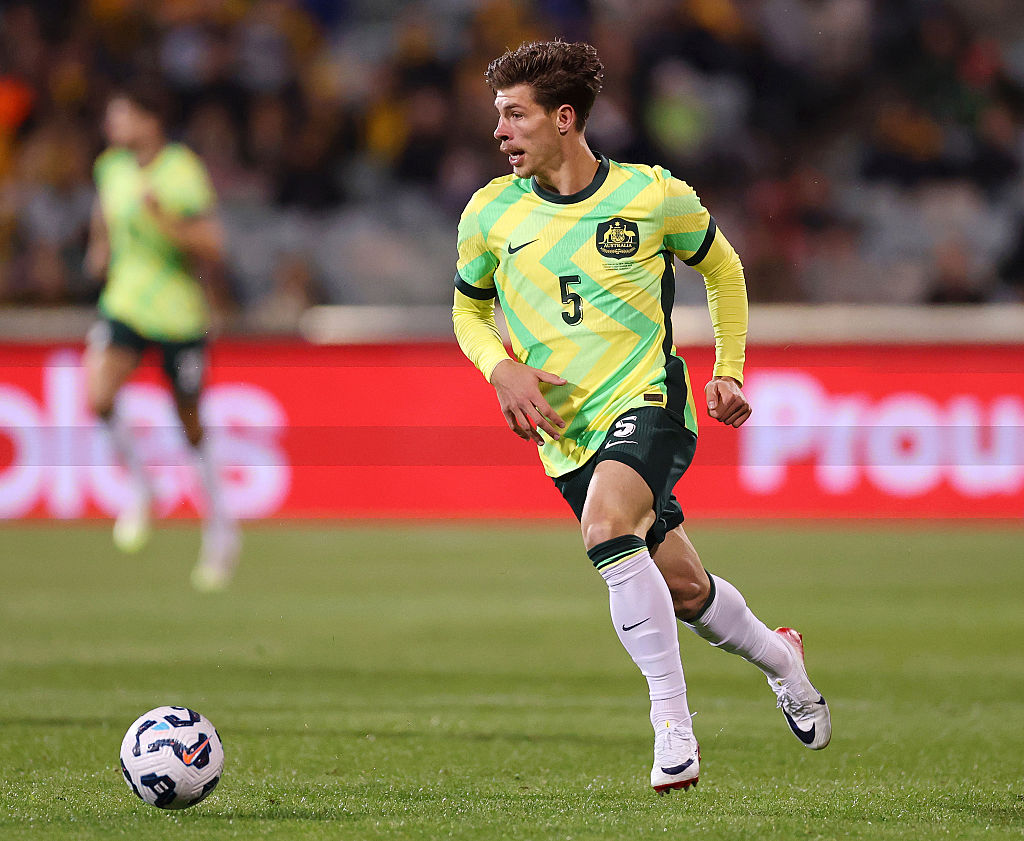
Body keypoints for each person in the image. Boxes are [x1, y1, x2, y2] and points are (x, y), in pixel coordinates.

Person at [452, 41, 830, 793]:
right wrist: (501, 367)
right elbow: (468, 309)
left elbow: (723, 267)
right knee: (685, 589)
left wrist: (727, 369)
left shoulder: (652, 195)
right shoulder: (489, 212)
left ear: (564, 119)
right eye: (499, 116)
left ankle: (672, 726)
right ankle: (782, 658)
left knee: (605, 530)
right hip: (566, 431)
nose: (500, 131)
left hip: (648, 401)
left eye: (514, 115)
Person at [84, 83, 239, 592]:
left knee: (190, 426)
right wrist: (100, 248)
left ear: (151, 120)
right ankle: (143, 487)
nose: (113, 125)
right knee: (98, 395)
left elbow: (212, 244)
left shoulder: (180, 171)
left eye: (122, 114)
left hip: (177, 315)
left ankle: (221, 531)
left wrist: (163, 220)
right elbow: (105, 211)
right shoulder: (110, 167)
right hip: (126, 303)